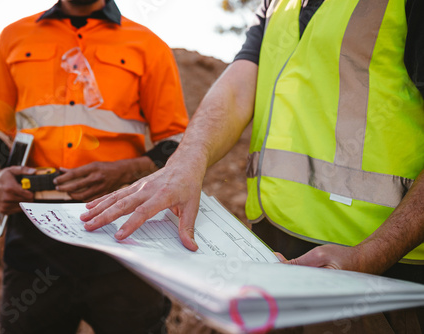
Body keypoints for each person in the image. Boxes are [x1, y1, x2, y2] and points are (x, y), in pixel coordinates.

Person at [80, 0, 424, 331]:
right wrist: (185, 161)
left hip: (383, 269)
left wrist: (371, 255)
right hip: (274, 252)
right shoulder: (278, 3)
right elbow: (239, 86)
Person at [0, 0, 188, 333]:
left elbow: (178, 146)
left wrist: (126, 171)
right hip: (33, 240)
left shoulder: (148, 45)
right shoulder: (13, 37)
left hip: (124, 236)